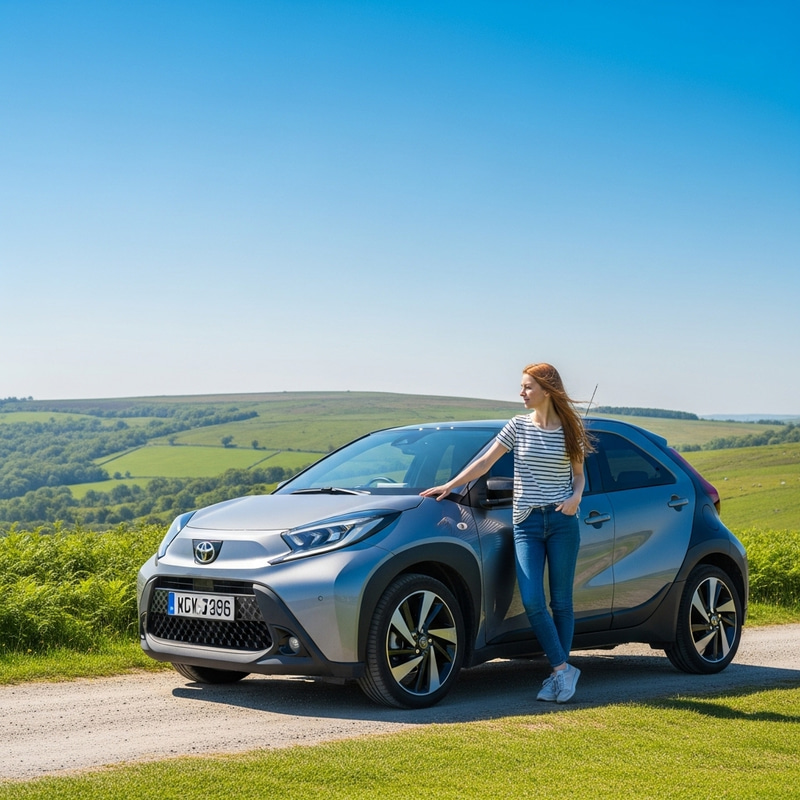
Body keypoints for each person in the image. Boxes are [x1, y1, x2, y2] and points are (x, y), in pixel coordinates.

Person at [420, 363, 592, 703]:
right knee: (531, 599)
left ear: (546, 389)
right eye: (522, 386)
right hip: (526, 523)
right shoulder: (517, 427)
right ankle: (562, 670)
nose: (521, 393)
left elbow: (579, 476)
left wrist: (575, 498)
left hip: (561, 521)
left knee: (561, 602)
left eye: (527, 387)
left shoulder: (570, 430)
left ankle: (559, 675)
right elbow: (484, 462)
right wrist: (451, 485)